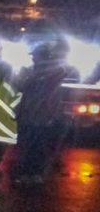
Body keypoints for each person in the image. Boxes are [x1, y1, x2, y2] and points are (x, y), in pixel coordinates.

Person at [14, 40, 72, 183]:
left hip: (43, 117)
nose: (33, 58)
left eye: (36, 56)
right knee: (26, 147)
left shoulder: (54, 72)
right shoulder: (28, 71)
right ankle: (24, 173)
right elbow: (19, 85)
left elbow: (61, 72)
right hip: (28, 115)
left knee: (38, 147)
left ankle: (35, 173)